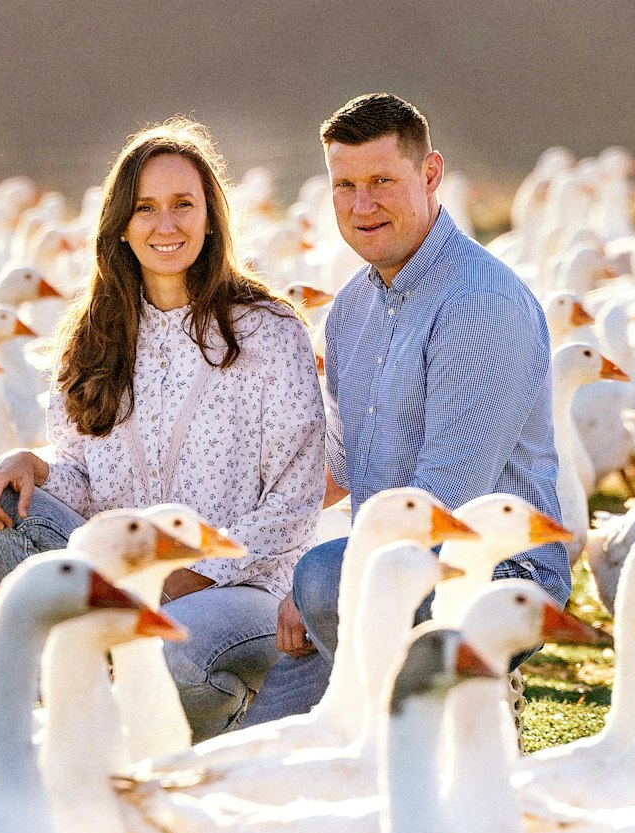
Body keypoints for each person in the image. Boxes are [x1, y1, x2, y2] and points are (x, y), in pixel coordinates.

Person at [0, 117, 325, 741]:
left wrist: (191, 575)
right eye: (146, 208)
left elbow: (294, 501)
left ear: (211, 217)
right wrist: (36, 467)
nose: (166, 224)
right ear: (122, 225)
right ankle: (106, 665)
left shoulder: (268, 330)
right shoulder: (90, 338)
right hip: (122, 582)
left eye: (184, 205)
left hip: (242, 590)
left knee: (170, 662)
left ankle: (224, 710)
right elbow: (83, 475)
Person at [241, 93, 568, 726]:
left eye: (383, 181)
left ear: (431, 174)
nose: (362, 206)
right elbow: (334, 469)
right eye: (346, 186)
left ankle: (471, 702)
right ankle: (405, 711)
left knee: (319, 578)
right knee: (266, 730)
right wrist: (230, 541)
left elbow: (445, 499)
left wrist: (323, 582)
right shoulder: (350, 313)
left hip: (494, 566)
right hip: (381, 566)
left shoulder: (484, 303)